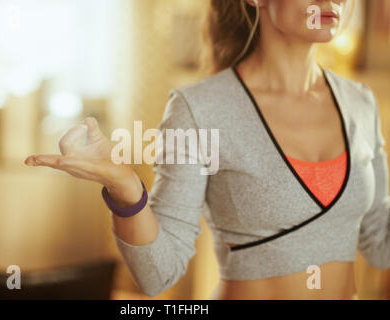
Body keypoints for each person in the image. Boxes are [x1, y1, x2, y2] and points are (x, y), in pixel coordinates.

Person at [25, 0, 390, 299]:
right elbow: (158, 274)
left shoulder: (359, 103)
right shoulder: (200, 108)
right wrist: (126, 189)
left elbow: (380, 244)